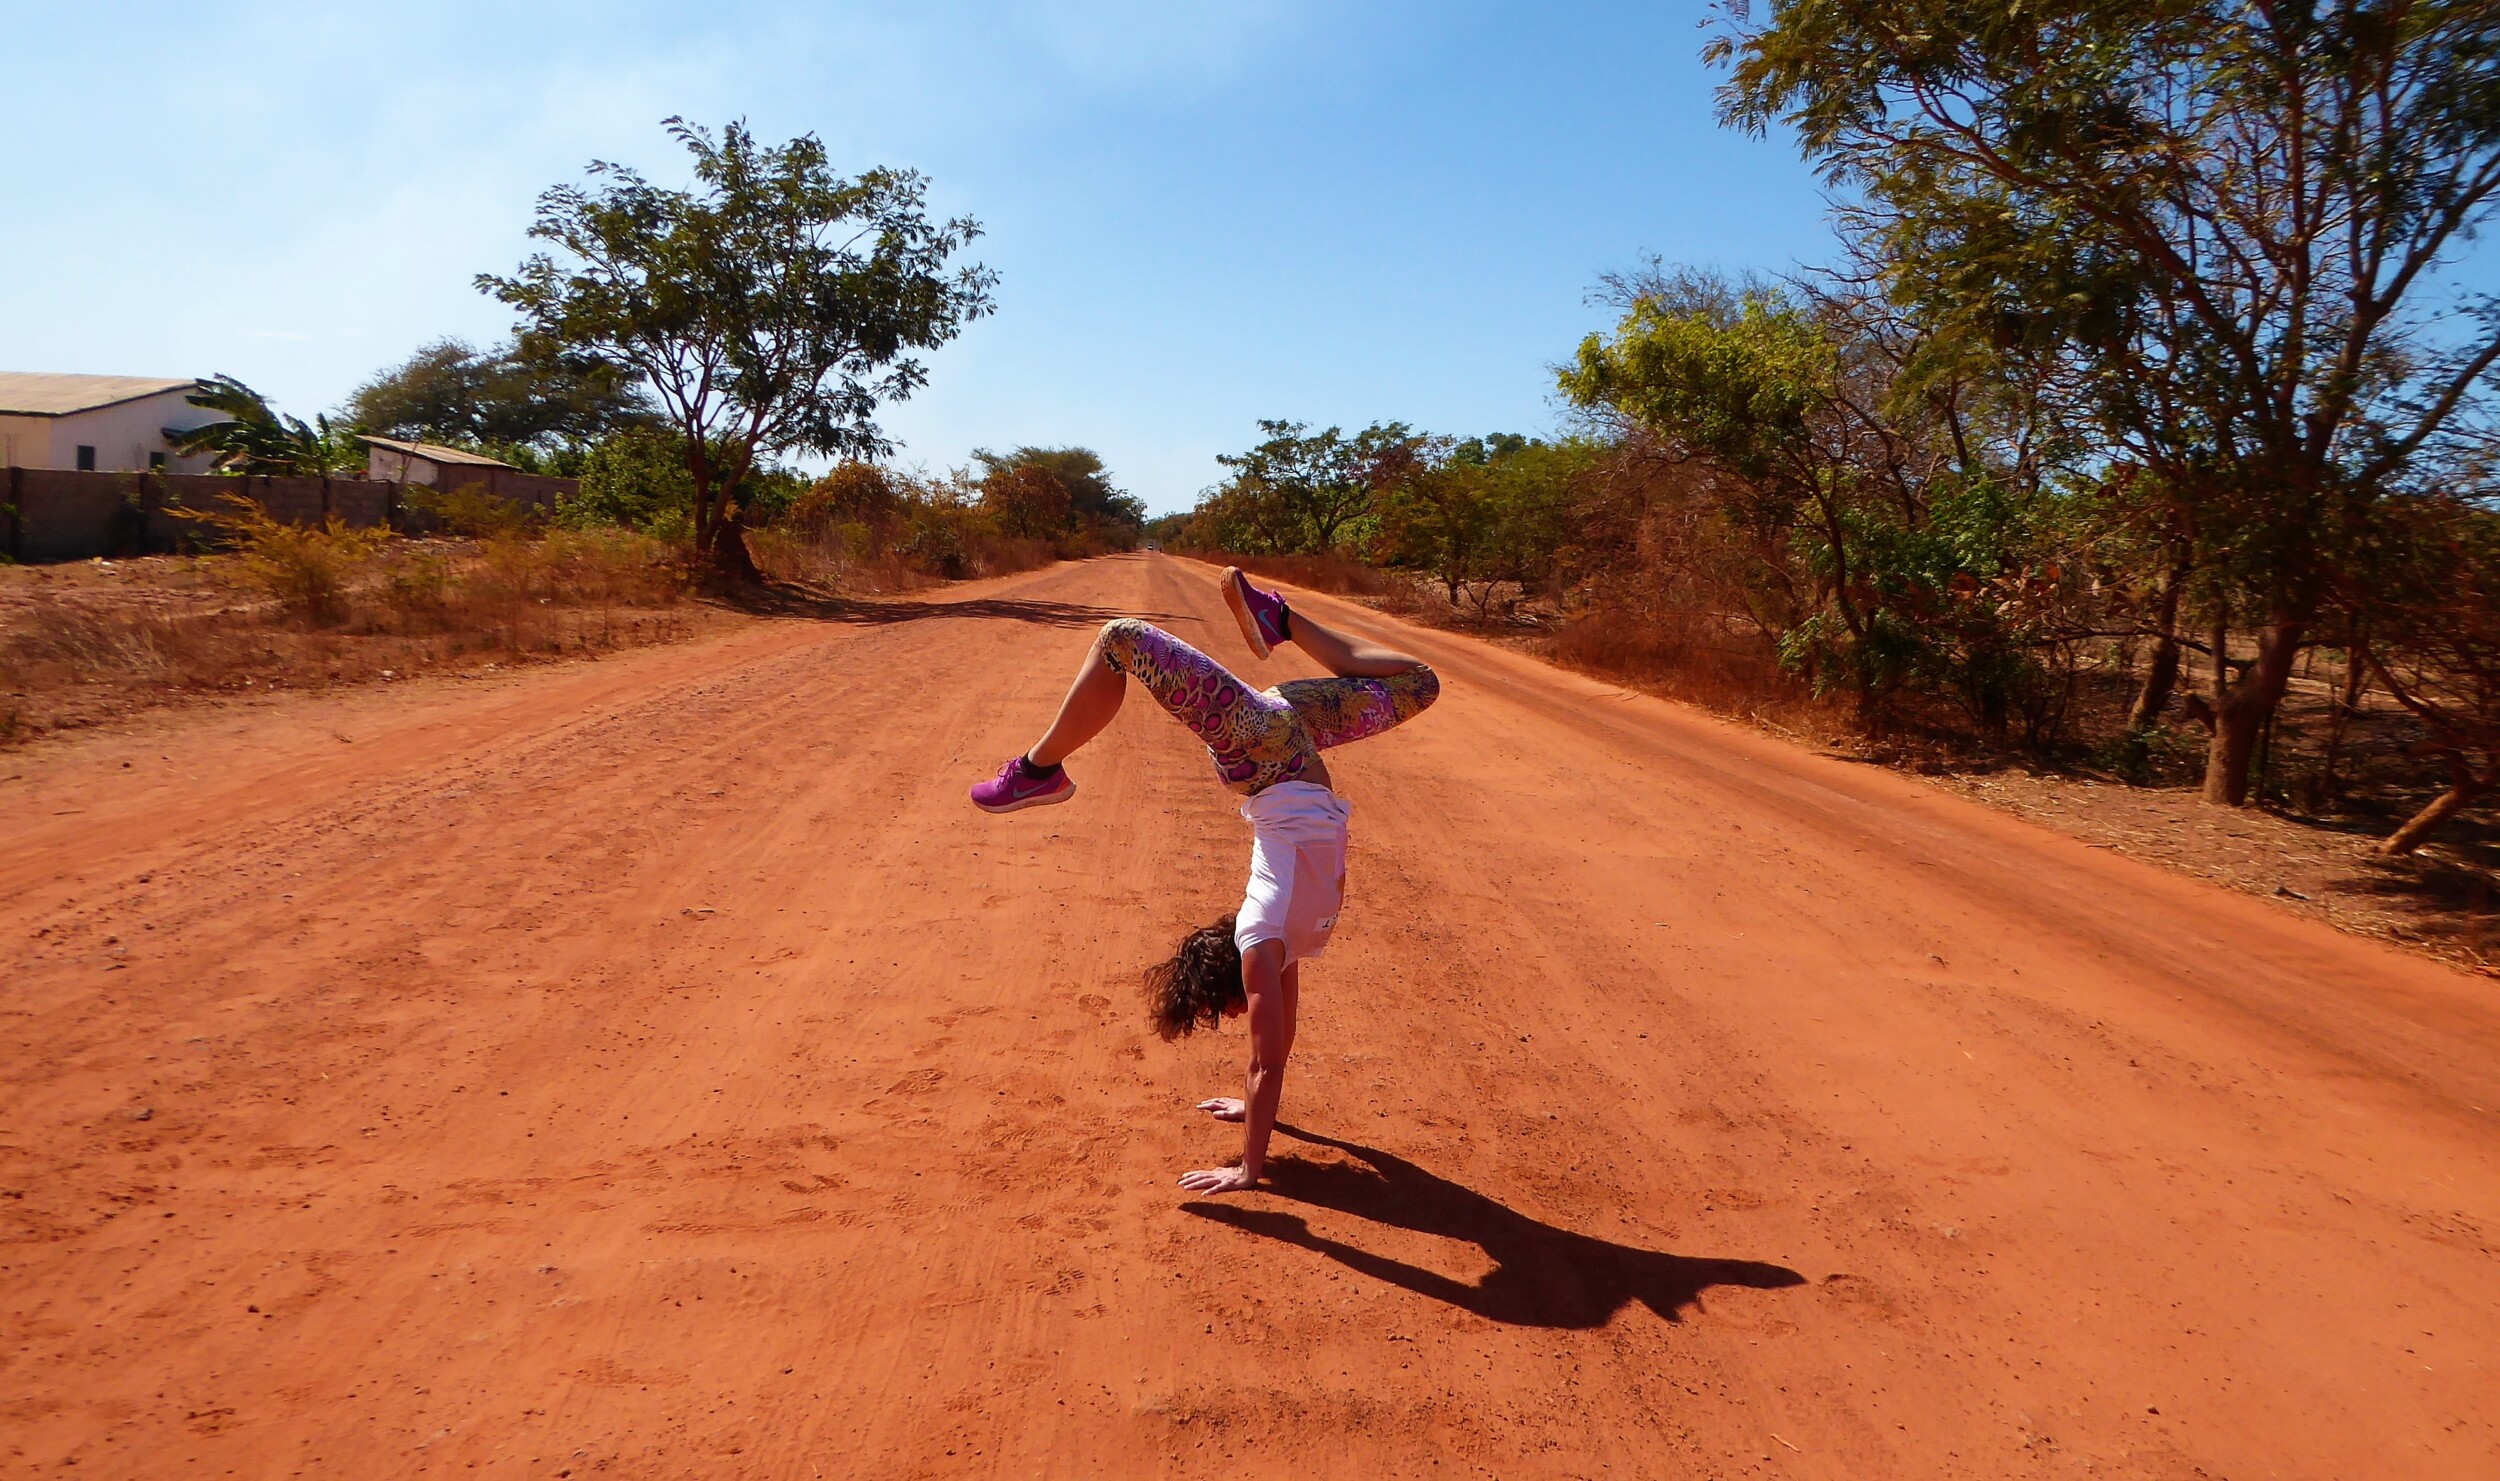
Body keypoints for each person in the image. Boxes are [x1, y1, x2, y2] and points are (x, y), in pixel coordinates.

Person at [969, 567, 1440, 1193]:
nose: (1232, 1016)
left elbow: (1266, 1060)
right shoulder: (1282, 947)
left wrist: (1249, 1169)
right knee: (1419, 683)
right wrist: (1251, 1106)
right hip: (1289, 740)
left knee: (1122, 639)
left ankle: (1038, 770)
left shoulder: (1265, 937)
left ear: (1234, 978)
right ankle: (1282, 621)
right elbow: (1278, 1049)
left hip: (1265, 746)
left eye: (1222, 1009)